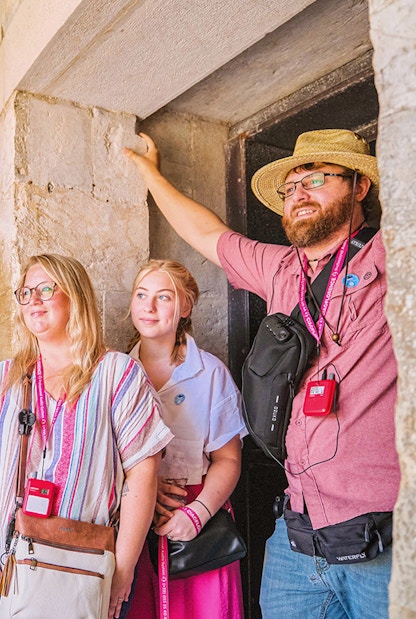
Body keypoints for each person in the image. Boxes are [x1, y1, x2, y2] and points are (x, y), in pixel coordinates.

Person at [123, 129, 400, 619]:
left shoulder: (393, 257)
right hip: (298, 540)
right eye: (291, 188)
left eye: (316, 180)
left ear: (360, 187)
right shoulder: (279, 270)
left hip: (384, 545)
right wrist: (150, 172)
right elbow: (206, 234)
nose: (299, 194)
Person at [0, 253, 173, 619]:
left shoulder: (117, 375)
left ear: (74, 295)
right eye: (25, 293)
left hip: (87, 568)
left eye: (45, 288)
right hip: (13, 564)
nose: (34, 301)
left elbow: (142, 474)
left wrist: (121, 571)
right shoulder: (5, 378)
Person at [125, 259, 247, 619]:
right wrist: (143, 487)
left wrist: (197, 514)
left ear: (186, 307)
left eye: (163, 297)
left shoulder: (209, 373)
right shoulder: (116, 371)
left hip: (199, 522)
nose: (148, 307)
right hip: (132, 522)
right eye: (141, 295)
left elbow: (228, 459)